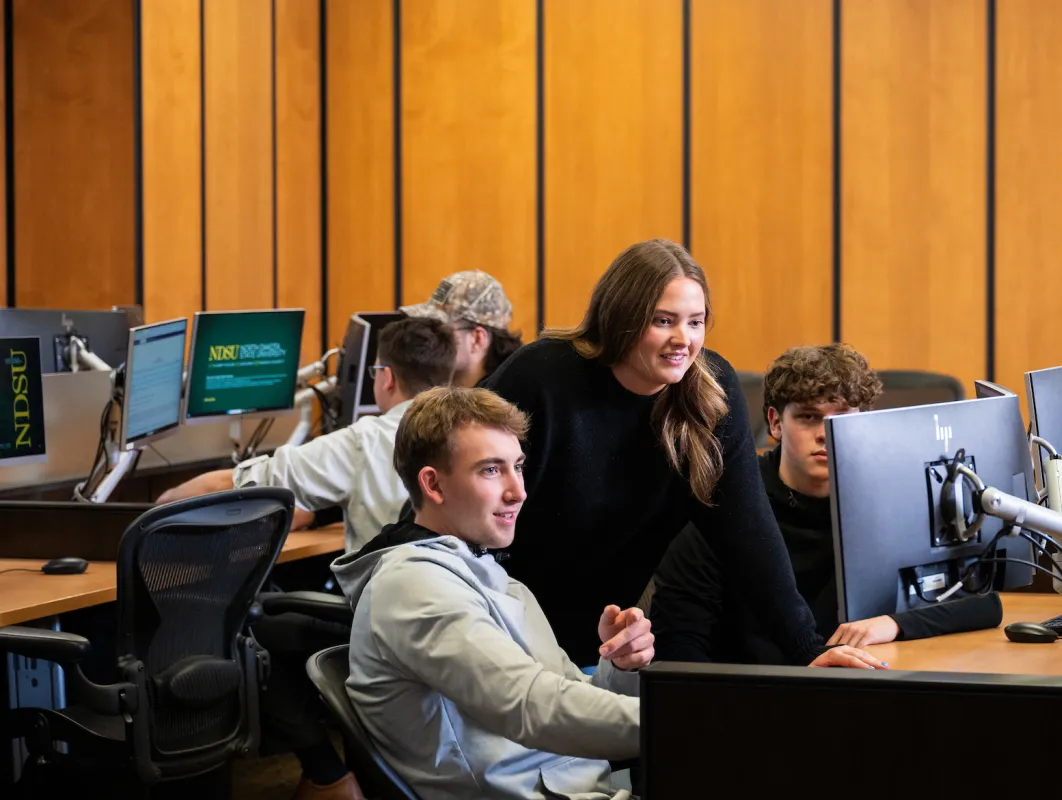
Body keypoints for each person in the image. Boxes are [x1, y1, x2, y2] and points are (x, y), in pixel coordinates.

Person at [334, 387, 884, 800]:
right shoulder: (417, 587)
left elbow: (561, 689)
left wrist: (616, 666)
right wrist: (715, 719)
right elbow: (535, 708)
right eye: (491, 470)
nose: (518, 491)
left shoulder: (477, 567)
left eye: (519, 467)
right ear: (432, 484)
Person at [478, 239, 868, 668]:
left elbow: (748, 534)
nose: (683, 339)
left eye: (696, 322)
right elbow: (463, 488)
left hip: (600, 643)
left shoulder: (711, 393)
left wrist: (807, 649)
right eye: (664, 321)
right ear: (622, 319)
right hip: (499, 621)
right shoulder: (540, 376)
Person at [650, 344, 1003, 663]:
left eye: (840, 417)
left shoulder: (894, 497)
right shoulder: (729, 500)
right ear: (775, 422)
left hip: (859, 683)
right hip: (752, 694)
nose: (824, 432)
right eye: (808, 417)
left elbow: (982, 602)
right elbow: (680, 638)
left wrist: (893, 624)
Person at [157, 316, 456, 553]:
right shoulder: (477, 431)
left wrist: (160, 507)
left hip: (385, 617)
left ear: (387, 377)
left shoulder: (364, 441)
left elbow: (239, 483)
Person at [401, 269, 525, 387]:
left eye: (440, 331)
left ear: (477, 339)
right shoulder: (438, 394)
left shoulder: (507, 403)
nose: (429, 339)